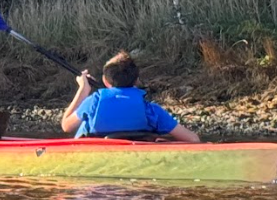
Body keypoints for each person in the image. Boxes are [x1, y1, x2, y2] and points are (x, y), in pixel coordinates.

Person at [60, 51, 200, 142]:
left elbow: (66, 126)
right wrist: (167, 142)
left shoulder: (93, 102)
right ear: (136, 81)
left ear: (105, 81)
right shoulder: (151, 110)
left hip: (91, 158)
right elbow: (193, 140)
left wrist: (83, 89)